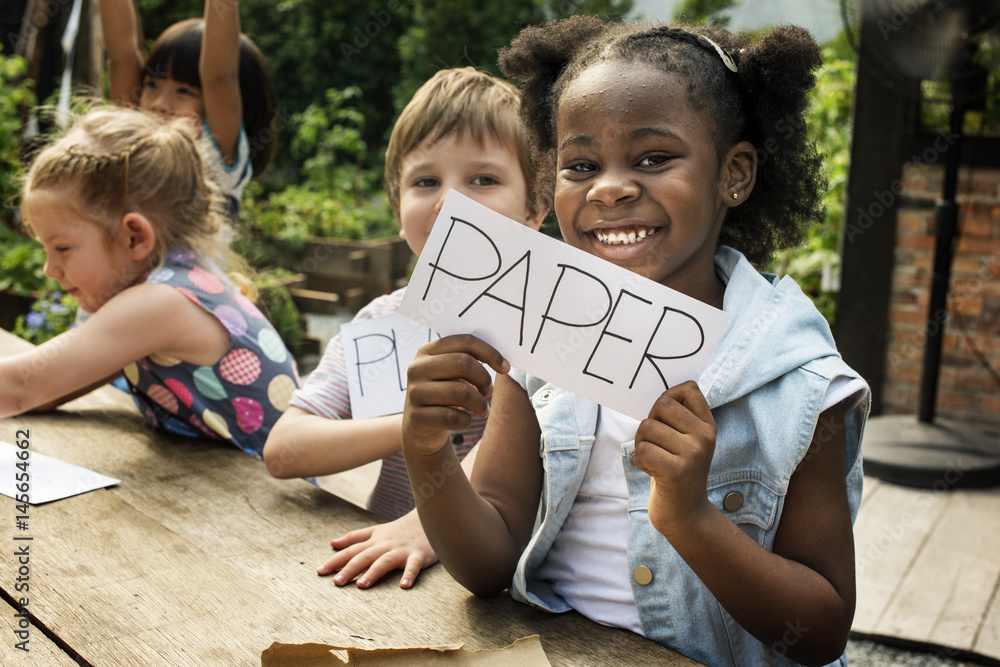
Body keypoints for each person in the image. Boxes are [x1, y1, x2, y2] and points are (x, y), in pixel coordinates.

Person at [400, 17, 869, 666]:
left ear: (734, 174)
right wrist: (427, 452)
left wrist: (690, 519)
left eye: (653, 158)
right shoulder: (533, 336)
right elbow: (488, 560)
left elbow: (821, 630)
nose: (610, 186)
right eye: (581, 164)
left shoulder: (802, 385)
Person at [263, 67, 548, 589]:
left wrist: (426, 525)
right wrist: (414, 430)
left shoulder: (552, 330)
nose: (449, 201)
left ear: (535, 208)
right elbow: (285, 451)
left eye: (483, 179)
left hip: (506, 590)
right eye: (425, 181)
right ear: (398, 210)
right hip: (382, 571)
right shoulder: (381, 323)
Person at [0, 106, 299, 460]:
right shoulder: (177, 281)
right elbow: (48, 388)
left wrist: (26, 388)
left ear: (134, 237)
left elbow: (21, 387)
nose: (50, 269)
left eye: (62, 248)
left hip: (268, 499)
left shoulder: (161, 302)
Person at [99, 0, 276, 235]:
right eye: (151, 84)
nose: (160, 104)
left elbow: (218, 76)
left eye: (184, 91)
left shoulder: (216, 158)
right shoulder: (135, 139)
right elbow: (123, 55)